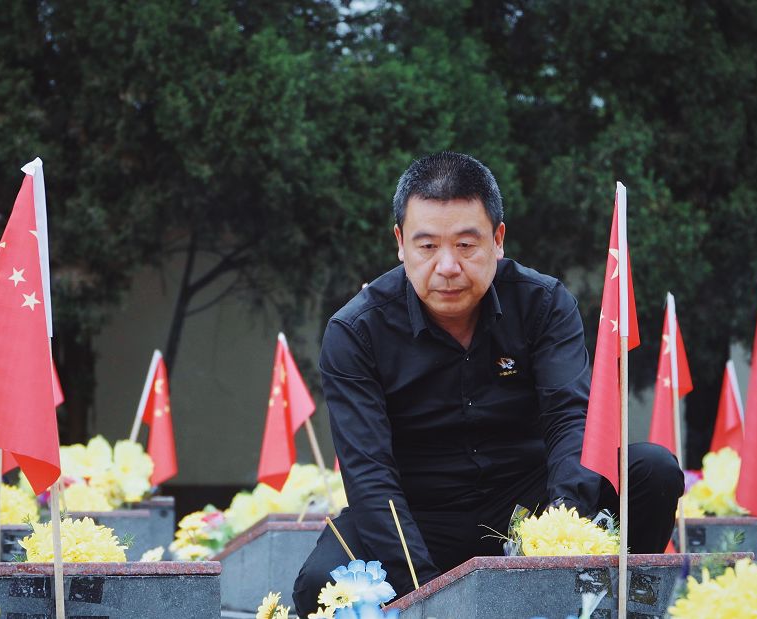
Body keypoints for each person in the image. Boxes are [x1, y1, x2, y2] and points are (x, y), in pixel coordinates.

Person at [292, 152, 683, 616]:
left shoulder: (544, 304)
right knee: (321, 584)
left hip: (528, 506)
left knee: (652, 470)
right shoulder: (356, 331)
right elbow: (369, 475)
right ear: (400, 243)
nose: (447, 266)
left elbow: (569, 423)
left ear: (498, 239)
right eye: (427, 246)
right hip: (417, 513)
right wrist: (430, 595)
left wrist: (558, 545)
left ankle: (607, 609)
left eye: (465, 245)